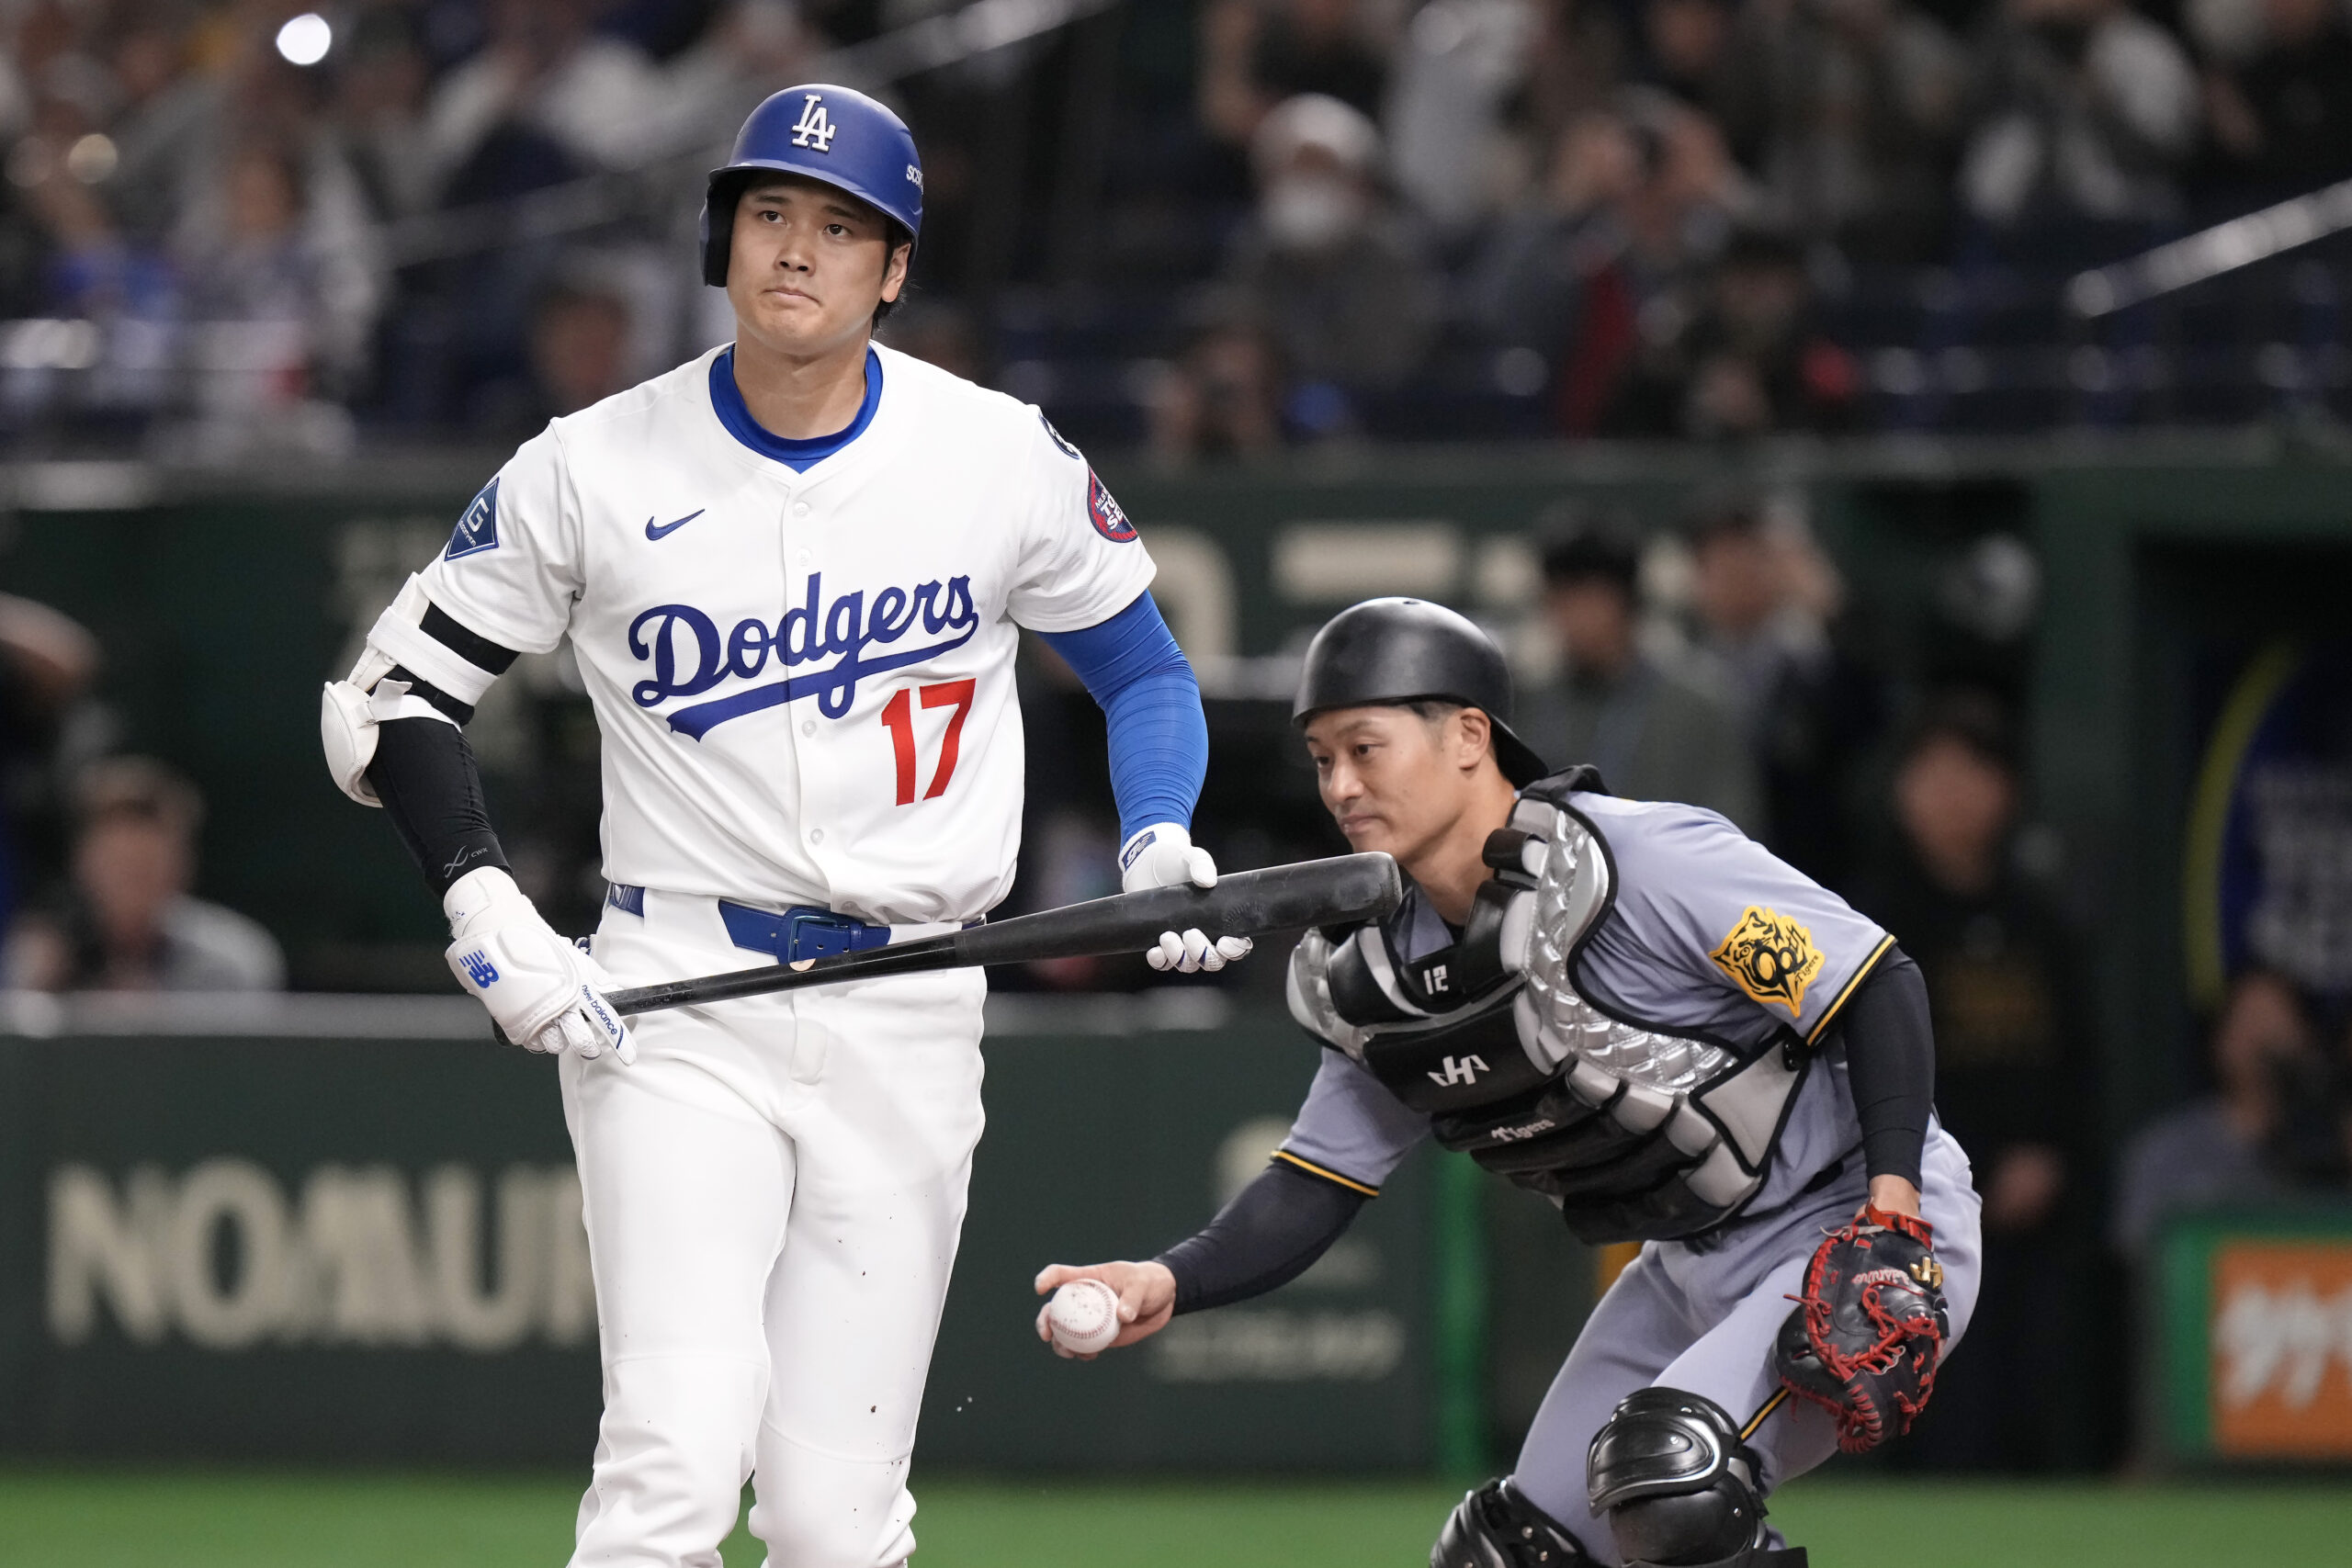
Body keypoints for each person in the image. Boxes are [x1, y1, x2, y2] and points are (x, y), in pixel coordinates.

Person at [320, 85, 1250, 1568]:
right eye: (769, 214)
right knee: (672, 1472)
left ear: (893, 269)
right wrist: (482, 897)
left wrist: (1155, 836)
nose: (797, 249)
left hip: (913, 996)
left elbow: (1140, 666)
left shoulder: (994, 451)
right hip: (679, 999)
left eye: (838, 226)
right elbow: (386, 698)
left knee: (833, 1516)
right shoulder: (593, 461)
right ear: (721, 239)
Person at [1034, 599, 1981, 1568]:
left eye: (1366, 747)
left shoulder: (1639, 862)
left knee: (1670, 1484)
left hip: (1852, 1228)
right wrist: (1167, 1278)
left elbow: (1868, 984)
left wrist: (1893, 1211)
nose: (1342, 785)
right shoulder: (1377, 972)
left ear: (1470, 737)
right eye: (1322, 758)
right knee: (1512, 1550)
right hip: (1691, 1261)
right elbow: (1314, 1184)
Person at [1847, 692, 2091, 1470]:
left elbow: (2080, 1060)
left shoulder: (2041, 921)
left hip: (2035, 1207)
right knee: (1937, 1420)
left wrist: (2050, 1153)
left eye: (1974, 771)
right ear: (1901, 789)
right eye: (1935, 772)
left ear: (2008, 791)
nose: (1955, 793)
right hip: (1913, 1204)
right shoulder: (1867, 921)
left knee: (2040, 1396)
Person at [1520, 517, 1760, 829]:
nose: (1575, 619)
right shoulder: (1530, 705)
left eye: (1590, 600)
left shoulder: (1698, 708)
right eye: (1561, 600)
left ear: (1627, 603)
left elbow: (1736, 832)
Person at [3, 755, 284, 993]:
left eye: (145, 868)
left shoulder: (232, 962)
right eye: (118, 866)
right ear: (82, 865)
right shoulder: (40, 959)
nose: (130, 885)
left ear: (182, 865)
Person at [2111, 969, 2313, 1264]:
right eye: (2250, 1022)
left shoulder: (2329, 1147)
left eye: (2276, 1022)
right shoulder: (2165, 1149)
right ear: (2219, 1041)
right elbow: (2136, 1253)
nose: (2264, 1039)